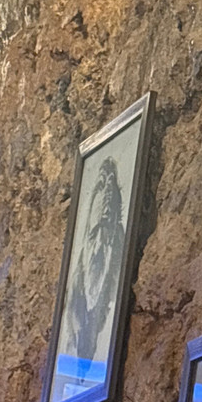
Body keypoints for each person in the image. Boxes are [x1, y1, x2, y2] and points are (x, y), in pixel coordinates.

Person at [58, 156, 124, 386]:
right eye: (94, 234)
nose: (97, 250)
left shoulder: (112, 325)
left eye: (105, 235)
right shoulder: (70, 322)